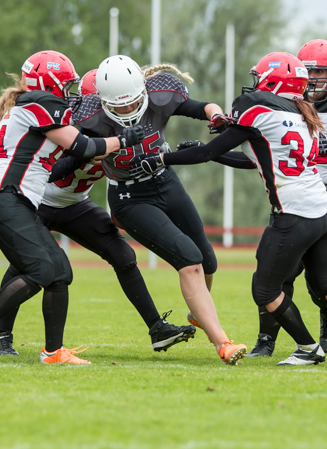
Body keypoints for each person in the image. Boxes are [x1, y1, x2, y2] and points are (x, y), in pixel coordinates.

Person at [132, 52, 327, 366]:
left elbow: (209, 152)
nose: (255, 86)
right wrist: (217, 143)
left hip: (294, 212)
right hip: (325, 211)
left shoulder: (259, 112)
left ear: (273, 83)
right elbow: (258, 155)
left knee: (265, 290)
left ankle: (308, 348)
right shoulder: (305, 114)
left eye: (260, 79)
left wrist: (162, 158)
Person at [0, 68, 196, 357]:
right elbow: (53, 171)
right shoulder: (65, 126)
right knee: (25, 265)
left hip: (76, 204)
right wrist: (93, 148)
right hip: (40, 203)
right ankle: (2, 335)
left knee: (124, 256)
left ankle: (157, 329)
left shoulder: (120, 128)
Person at [0, 51, 148, 365]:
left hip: (14, 200)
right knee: (40, 270)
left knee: (59, 273)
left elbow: (81, 151)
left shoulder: (28, 105)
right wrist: (123, 139)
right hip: (6, 198)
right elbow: (84, 147)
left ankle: (53, 352)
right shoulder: (40, 103)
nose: (69, 92)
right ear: (49, 84)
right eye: (66, 85)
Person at [74, 55, 247, 365]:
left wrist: (217, 116)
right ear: (103, 101)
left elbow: (202, 107)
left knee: (207, 260)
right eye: (119, 105)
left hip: (166, 181)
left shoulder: (160, 96)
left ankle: (197, 313)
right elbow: (75, 151)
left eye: (132, 102)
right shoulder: (89, 117)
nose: (128, 109)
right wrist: (109, 145)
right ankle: (222, 343)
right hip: (129, 196)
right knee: (189, 258)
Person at [246, 39, 327, 357]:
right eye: (309, 72)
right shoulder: (286, 106)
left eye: (320, 72)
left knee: (324, 283)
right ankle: (266, 339)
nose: (314, 78)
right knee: (276, 275)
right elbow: (264, 157)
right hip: (300, 201)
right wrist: (214, 154)